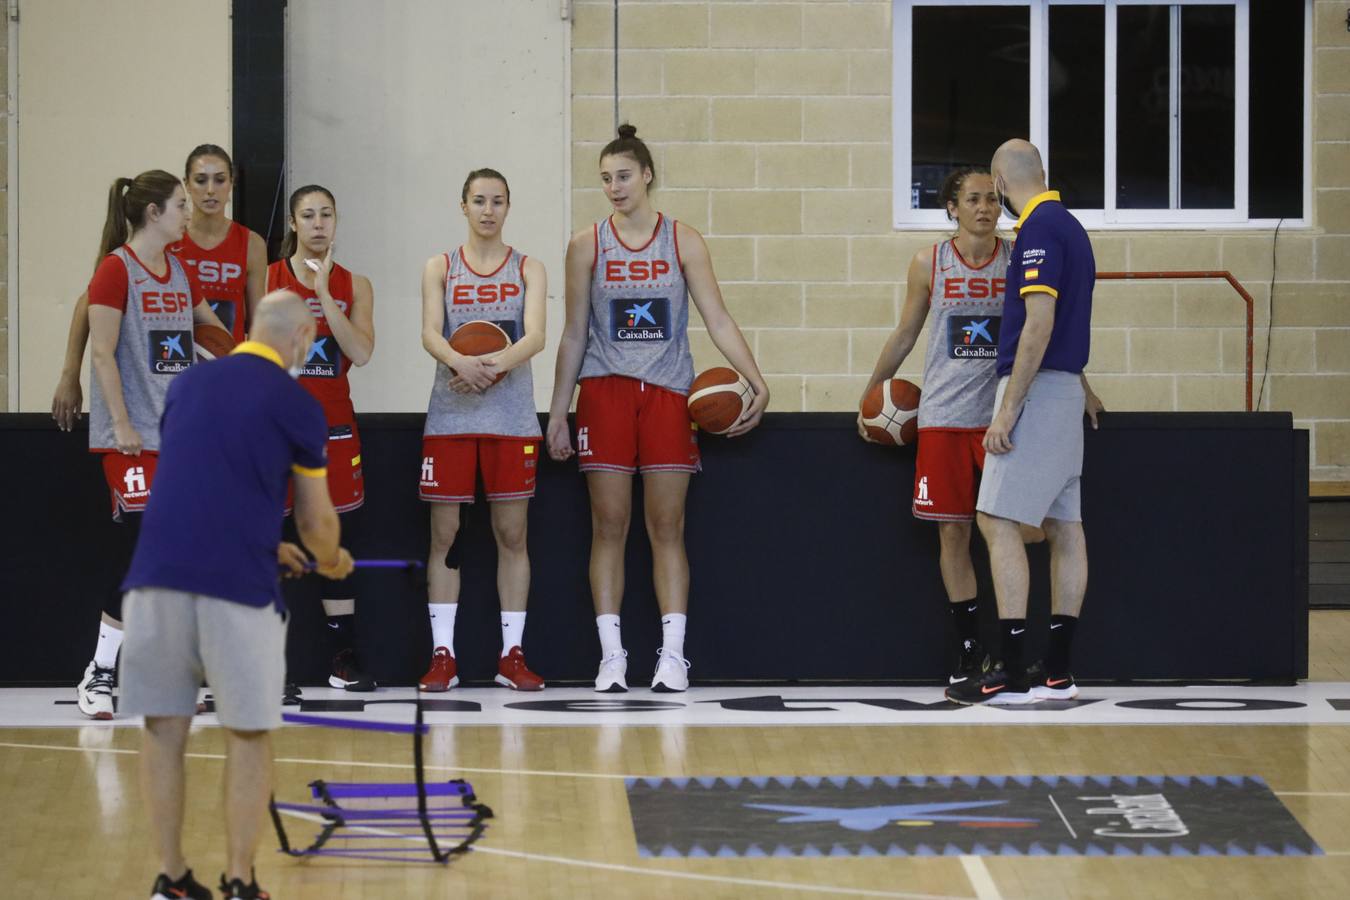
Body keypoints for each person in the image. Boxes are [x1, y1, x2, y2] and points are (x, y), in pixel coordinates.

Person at [120, 290, 354, 900]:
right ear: (302, 336)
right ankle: (241, 882)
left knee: (163, 731)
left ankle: (169, 879)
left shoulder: (188, 387)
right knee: (248, 733)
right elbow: (315, 525)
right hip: (235, 592)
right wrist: (331, 560)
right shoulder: (298, 404)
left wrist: (265, 541)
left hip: (153, 581)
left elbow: (201, 481)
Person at [547, 124, 769, 693]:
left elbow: (717, 317)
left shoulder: (683, 240)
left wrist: (756, 381)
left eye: (623, 176)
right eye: (605, 179)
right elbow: (573, 332)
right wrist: (557, 411)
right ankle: (612, 655)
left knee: (667, 526)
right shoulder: (586, 243)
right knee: (609, 525)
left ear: (647, 176)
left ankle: (672, 656)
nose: (614, 187)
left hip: (670, 393)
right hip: (605, 391)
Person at [946, 139, 1099, 706]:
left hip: (1035, 392)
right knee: (1065, 527)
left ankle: (1011, 672)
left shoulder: (1037, 230)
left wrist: (1007, 408)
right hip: (1063, 390)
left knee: (995, 518)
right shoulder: (1074, 229)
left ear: (1001, 182)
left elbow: (1039, 323)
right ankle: (1058, 669)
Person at [74, 170, 229, 720]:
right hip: (132, 438)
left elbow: (209, 331)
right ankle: (100, 671)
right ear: (152, 214)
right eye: (180, 205)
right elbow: (102, 352)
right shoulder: (116, 271)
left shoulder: (181, 270)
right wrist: (121, 423)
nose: (190, 213)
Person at [858, 168, 1012, 686]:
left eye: (992, 199)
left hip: (1002, 420)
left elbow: (1043, 330)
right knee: (954, 533)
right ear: (952, 208)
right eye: (973, 199)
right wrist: (873, 391)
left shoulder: (1016, 260)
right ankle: (970, 650)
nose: (985, 207)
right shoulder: (930, 262)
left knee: (1013, 532)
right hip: (944, 417)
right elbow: (906, 332)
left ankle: (1014, 645)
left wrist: (1078, 387)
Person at [417, 168, 548, 692]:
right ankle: (443, 655)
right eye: (479, 200)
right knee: (444, 535)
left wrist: (486, 368)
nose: (488, 209)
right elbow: (430, 331)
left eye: (497, 201)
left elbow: (536, 335)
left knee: (511, 535)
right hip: (450, 416)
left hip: (510, 416)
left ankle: (511, 656)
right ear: (463, 206)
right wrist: (457, 362)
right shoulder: (440, 266)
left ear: (508, 207)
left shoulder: (529, 268)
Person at [51, 144, 267, 428]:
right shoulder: (164, 236)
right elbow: (88, 304)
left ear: (232, 183)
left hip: (219, 372)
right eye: (201, 180)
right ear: (187, 185)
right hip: (167, 381)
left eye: (220, 179)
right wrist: (70, 373)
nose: (211, 190)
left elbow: (258, 323)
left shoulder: (250, 244)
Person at [267, 184, 378, 691]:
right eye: (307, 215)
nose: (317, 224)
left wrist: (328, 295)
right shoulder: (268, 279)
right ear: (293, 223)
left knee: (335, 544)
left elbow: (361, 350)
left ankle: (343, 658)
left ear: (337, 221)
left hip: (334, 431)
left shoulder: (356, 284)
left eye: (326, 215)